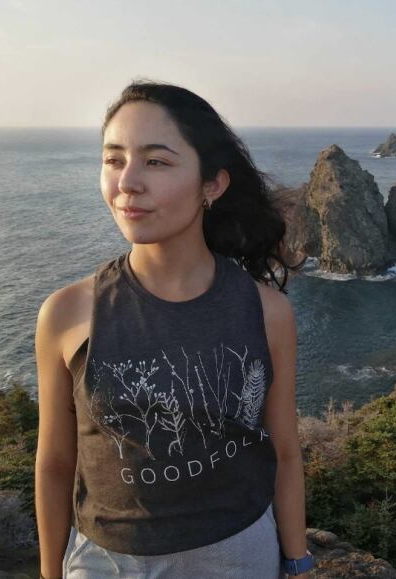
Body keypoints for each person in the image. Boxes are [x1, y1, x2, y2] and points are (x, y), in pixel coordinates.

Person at [34, 79, 314, 578]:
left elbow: (285, 450)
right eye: (113, 159)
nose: (127, 183)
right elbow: (56, 463)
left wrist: (297, 559)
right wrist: (50, 572)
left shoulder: (265, 311)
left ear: (212, 185)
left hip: (238, 556)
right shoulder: (67, 314)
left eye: (156, 161)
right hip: (106, 563)